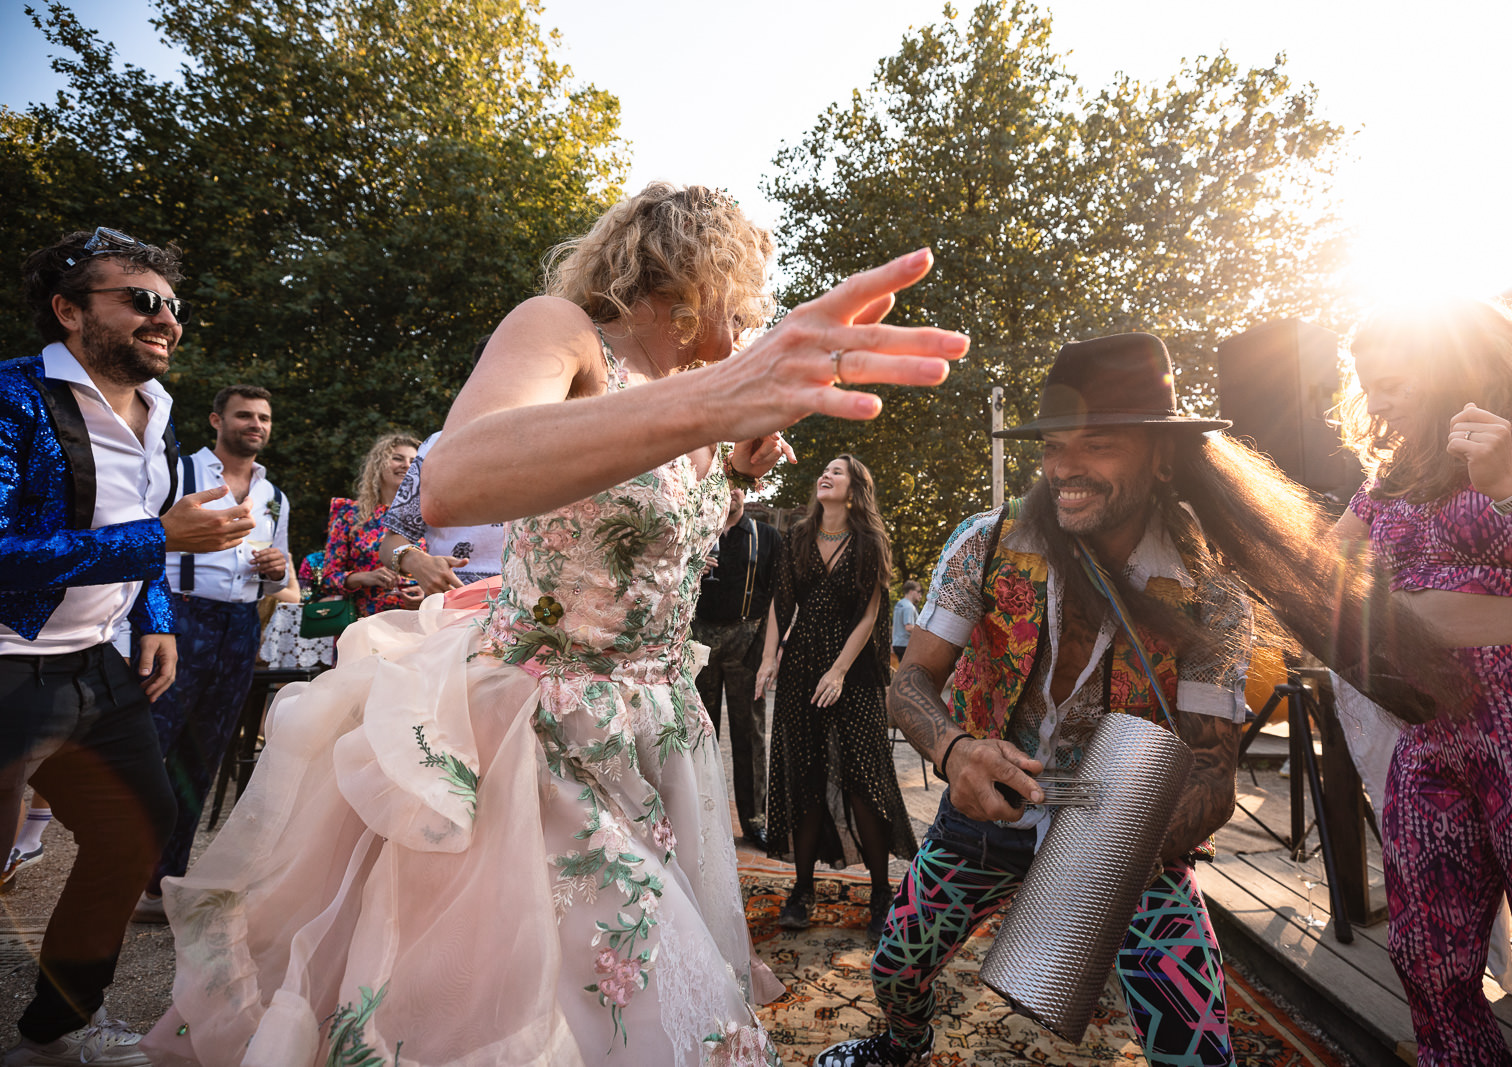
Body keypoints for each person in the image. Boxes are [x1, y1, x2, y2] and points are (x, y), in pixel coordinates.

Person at [145, 182, 969, 1066]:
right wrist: (723, 396)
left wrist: (729, 474)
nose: (759, 314)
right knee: (619, 998)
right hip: (541, 727)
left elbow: (652, 546)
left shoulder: (689, 397)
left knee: (607, 1012)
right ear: (698, 273)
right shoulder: (564, 333)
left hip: (660, 728)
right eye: (752, 288)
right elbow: (451, 478)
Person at [816, 332, 1463, 1067]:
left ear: (1162, 456)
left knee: (1198, 1051)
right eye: (1055, 447)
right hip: (986, 809)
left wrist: (1100, 865)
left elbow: (1213, 775)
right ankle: (903, 1045)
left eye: (1097, 445)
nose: (1066, 470)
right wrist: (954, 750)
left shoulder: (1209, 588)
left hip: (1131, 840)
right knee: (896, 966)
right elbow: (909, 683)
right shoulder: (987, 541)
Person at [1, 227, 253, 1065]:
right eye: (140, 300)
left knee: (139, 826)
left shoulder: (161, 411)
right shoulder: (14, 397)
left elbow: (131, 531)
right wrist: (159, 541)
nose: (165, 319)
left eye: (172, 305)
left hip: (90, 665)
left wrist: (154, 618)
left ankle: (56, 1027)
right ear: (68, 310)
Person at [1332, 300, 1512, 1065]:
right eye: (1367, 387)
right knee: (1427, 956)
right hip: (1433, 727)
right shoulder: (1397, 468)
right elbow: (1325, 561)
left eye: (1388, 382)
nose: (1375, 403)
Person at [132, 384, 290, 925]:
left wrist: (276, 571)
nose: (256, 425)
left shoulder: (275, 496)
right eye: (244, 415)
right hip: (178, 616)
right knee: (151, 746)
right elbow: (142, 543)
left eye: (264, 418)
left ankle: (161, 884)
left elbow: (279, 581)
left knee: (201, 756)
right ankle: (120, 873)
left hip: (240, 626)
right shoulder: (178, 473)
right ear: (215, 420)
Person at [757, 455, 917, 940]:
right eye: (824, 471)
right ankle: (802, 890)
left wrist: (840, 671)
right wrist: (769, 660)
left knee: (863, 781)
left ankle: (880, 893)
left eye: (838, 472)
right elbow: (780, 605)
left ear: (855, 489)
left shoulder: (870, 541)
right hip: (803, 667)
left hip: (854, 673)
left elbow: (869, 616)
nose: (825, 476)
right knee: (802, 777)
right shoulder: (798, 537)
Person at [692, 486, 781, 847]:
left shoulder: (767, 536)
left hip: (747, 639)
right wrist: (693, 568)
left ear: (746, 492)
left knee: (750, 733)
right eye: (722, 487)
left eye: (736, 488)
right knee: (699, 731)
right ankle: (698, 816)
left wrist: (773, 651)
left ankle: (754, 821)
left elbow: (780, 594)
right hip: (699, 639)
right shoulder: (695, 533)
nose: (730, 495)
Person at [378, 427, 502, 596]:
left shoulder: (548, 435)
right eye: (397, 459)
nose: (405, 465)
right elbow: (392, 541)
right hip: (455, 605)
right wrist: (417, 562)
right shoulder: (437, 446)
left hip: (540, 608)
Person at [319, 434, 422, 617]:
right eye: (397, 458)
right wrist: (364, 577)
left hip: (417, 625)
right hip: (363, 624)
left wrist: (428, 595)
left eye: (414, 461)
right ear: (378, 466)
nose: (407, 465)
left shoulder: (430, 517)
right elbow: (327, 579)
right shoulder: (349, 514)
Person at [890, 580, 921, 664]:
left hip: (897, 644)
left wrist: (893, 643)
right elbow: (908, 627)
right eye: (918, 592)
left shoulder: (899, 604)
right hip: (906, 645)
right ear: (911, 592)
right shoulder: (909, 607)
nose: (920, 595)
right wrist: (923, 631)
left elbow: (895, 625)